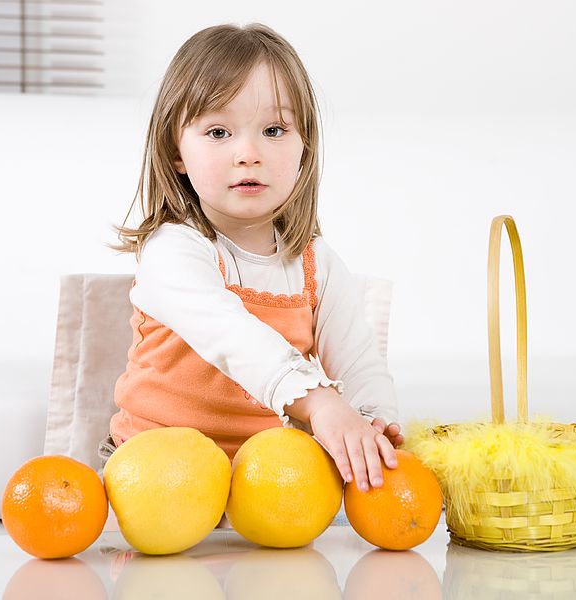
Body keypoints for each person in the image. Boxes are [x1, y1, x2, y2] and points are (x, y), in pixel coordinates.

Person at [99, 23, 403, 499]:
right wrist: (319, 400)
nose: (248, 154)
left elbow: (359, 360)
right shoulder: (173, 249)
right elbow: (232, 336)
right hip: (154, 473)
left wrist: (372, 423)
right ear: (175, 152)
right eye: (218, 131)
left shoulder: (317, 263)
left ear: (304, 148)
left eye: (274, 130)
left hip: (266, 479)